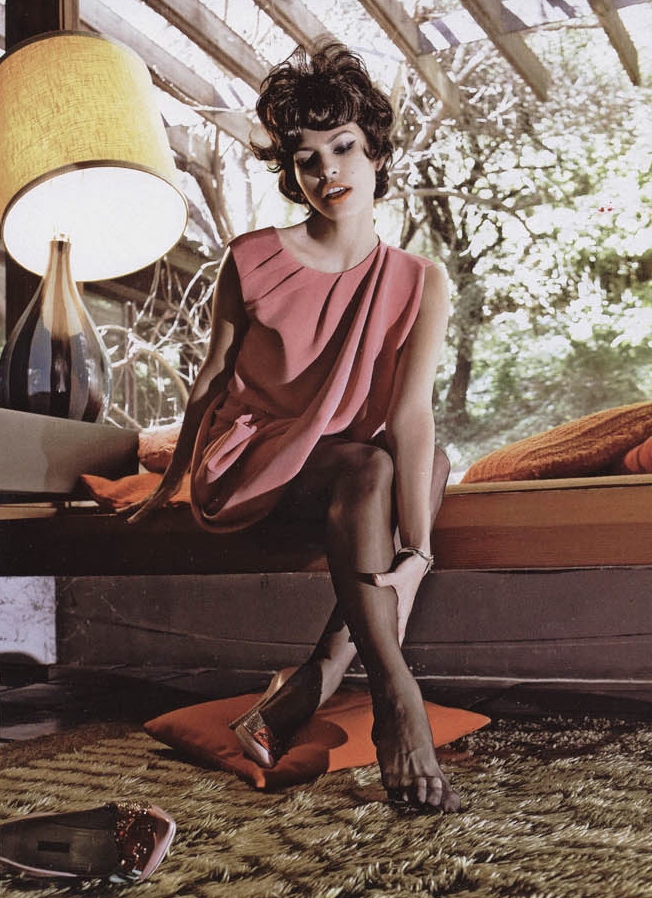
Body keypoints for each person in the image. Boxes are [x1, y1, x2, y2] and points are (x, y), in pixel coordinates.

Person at [126, 41, 459, 813]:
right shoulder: (251, 258)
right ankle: (396, 697)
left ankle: (314, 681)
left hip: (344, 467)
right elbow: (212, 381)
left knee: (428, 461)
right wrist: (171, 483)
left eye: (342, 147)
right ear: (292, 173)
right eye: (307, 159)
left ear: (376, 153)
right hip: (253, 461)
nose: (327, 171)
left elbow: (410, 412)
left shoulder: (420, 280)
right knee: (373, 469)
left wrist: (420, 550)